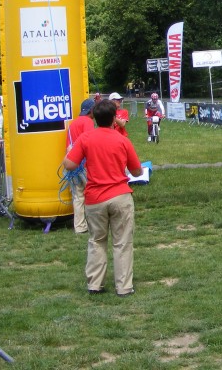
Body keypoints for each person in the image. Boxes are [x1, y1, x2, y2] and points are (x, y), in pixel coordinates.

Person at [63, 99, 143, 296]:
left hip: (95, 198)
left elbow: (69, 165)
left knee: (97, 241)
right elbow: (137, 171)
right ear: (114, 118)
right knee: (122, 242)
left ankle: (95, 284)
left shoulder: (86, 138)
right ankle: (124, 287)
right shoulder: (122, 140)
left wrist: (72, 154)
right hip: (120, 196)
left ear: (94, 118)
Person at [67, 99, 96, 233]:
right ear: (91, 110)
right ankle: (95, 223)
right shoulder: (88, 122)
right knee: (93, 193)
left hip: (73, 165)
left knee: (78, 196)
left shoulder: (73, 124)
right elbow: (90, 141)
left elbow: (69, 146)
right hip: (84, 164)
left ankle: (79, 226)